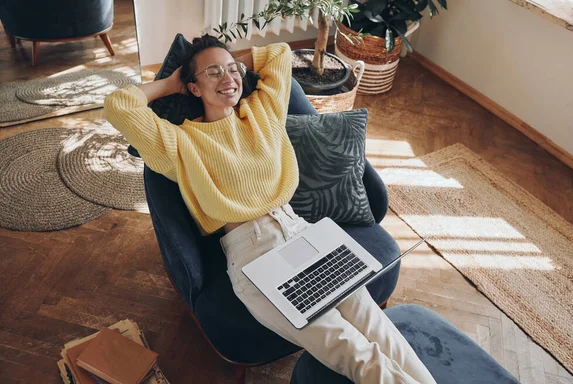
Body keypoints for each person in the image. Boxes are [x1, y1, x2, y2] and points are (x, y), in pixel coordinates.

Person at [104, 34, 436, 384]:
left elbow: (279, 53)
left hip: (304, 233)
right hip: (254, 257)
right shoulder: (180, 143)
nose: (227, 78)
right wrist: (169, 84)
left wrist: (233, 66)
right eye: (212, 73)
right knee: (352, 349)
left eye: (232, 70)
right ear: (193, 88)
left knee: (377, 327)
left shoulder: (262, 111)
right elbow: (118, 106)